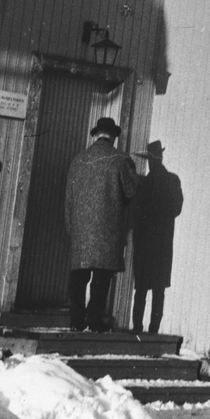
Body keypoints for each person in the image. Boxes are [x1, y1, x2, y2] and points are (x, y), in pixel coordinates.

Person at [64, 116, 137, 332]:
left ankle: (76, 320)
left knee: (78, 275)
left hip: (80, 229)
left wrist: (71, 227)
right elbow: (131, 192)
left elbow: (68, 197)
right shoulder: (121, 160)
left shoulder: (78, 160)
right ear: (113, 136)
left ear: (95, 135)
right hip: (108, 227)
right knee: (102, 276)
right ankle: (94, 320)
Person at [129, 140, 184, 335]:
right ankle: (153, 331)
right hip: (162, 245)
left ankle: (137, 328)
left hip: (144, 243)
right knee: (159, 290)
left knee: (142, 289)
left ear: (150, 160)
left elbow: (135, 211)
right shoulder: (173, 181)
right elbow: (176, 208)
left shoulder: (143, 183)